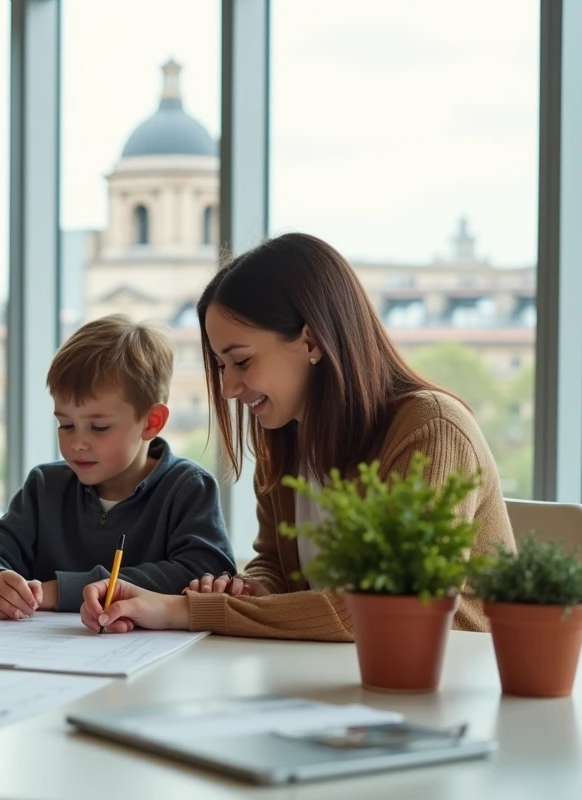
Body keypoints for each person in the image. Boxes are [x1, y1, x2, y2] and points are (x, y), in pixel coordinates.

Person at [79, 233, 516, 640]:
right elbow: (279, 567)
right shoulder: (283, 438)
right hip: (337, 677)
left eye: (242, 361)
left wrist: (186, 610)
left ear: (311, 341)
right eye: (220, 366)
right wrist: (246, 589)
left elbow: (387, 608)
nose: (229, 389)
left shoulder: (431, 430)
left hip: (448, 690)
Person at [0, 315, 236, 617]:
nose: (78, 442)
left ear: (151, 422)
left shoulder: (188, 488)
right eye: (66, 424)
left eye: (99, 427)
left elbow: (207, 573)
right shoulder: (44, 486)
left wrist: (63, 590)